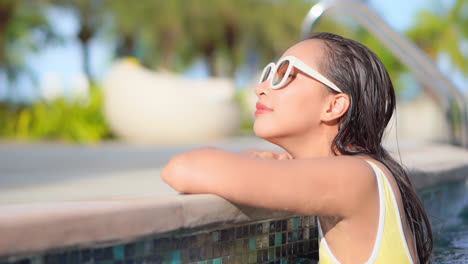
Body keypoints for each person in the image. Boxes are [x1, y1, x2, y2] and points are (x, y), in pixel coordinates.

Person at [161, 32, 433, 264]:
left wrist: (259, 163)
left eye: (286, 74)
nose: (261, 88)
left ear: (334, 105)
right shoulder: (355, 170)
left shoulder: (352, 176)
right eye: (268, 74)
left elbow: (184, 168)